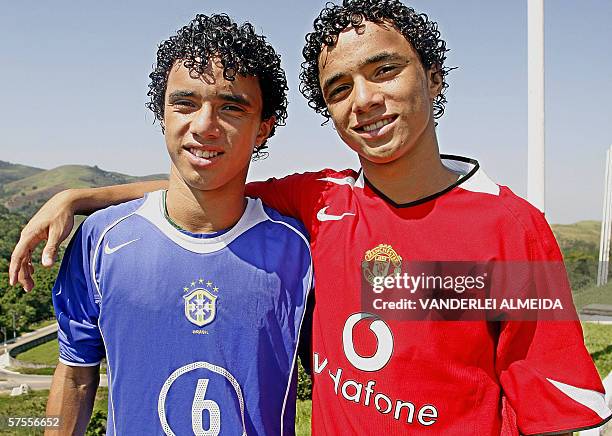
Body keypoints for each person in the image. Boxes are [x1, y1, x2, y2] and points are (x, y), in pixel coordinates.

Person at [11, 1, 611, 434]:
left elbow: (546, 404)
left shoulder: (510, 228)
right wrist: (81, 197)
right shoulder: (322, 203)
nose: (365, 100)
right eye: (340, 87)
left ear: (432, 76)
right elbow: (210, 181)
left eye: (384, 70)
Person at [39, 13, 312, 435]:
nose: (204, 126)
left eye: (231, 108)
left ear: (263, 129)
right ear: (162, 114)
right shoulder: (99, 240)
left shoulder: (300, 248)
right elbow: (75, 374)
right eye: (185, 103)